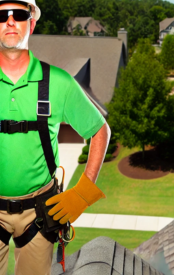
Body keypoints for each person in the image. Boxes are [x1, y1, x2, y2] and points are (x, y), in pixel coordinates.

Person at [0, 0, 111, 274]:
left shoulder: (58, 83)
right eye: (2, 14)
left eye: (19, 13)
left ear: (32, 22)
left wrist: (83, 194)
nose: (10, 20)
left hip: (39, 213)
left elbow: (100, 131)